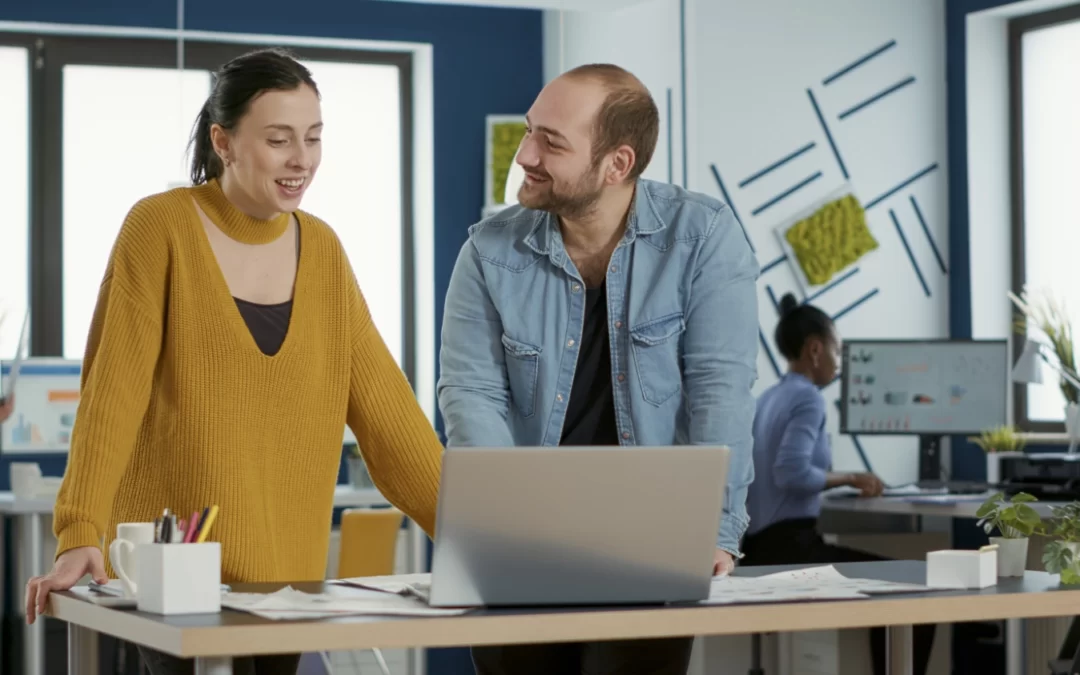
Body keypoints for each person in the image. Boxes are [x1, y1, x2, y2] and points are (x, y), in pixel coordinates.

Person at [24, 48, 443, 675]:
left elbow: (390, 421)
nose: (301, 159)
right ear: (224, 140)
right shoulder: (160, 228)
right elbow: (111, 398)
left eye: (313, 138)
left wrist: (480, 535)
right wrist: (80, 529)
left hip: (286, 583)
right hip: (173, 578)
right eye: (279, 140)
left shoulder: (323, 250)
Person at [437, 63, 759, 675]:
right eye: (531, 131)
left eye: (551, 141)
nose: (525, 154)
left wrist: (715, 532)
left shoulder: (704, 236)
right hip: (523, 544)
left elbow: (721, 389)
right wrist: (498, 534)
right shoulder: (487, 251)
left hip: (651, 547)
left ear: (617, 163)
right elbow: (472, 395)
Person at [740, 293, 934, 675]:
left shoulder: (768, 398)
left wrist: (834, 481)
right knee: (915, 588)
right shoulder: (808, 399)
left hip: (758, 549)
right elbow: (790, 473)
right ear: (815, 349)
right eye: (838, 351)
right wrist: (849, 477)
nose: (839, 362)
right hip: (789, 552)